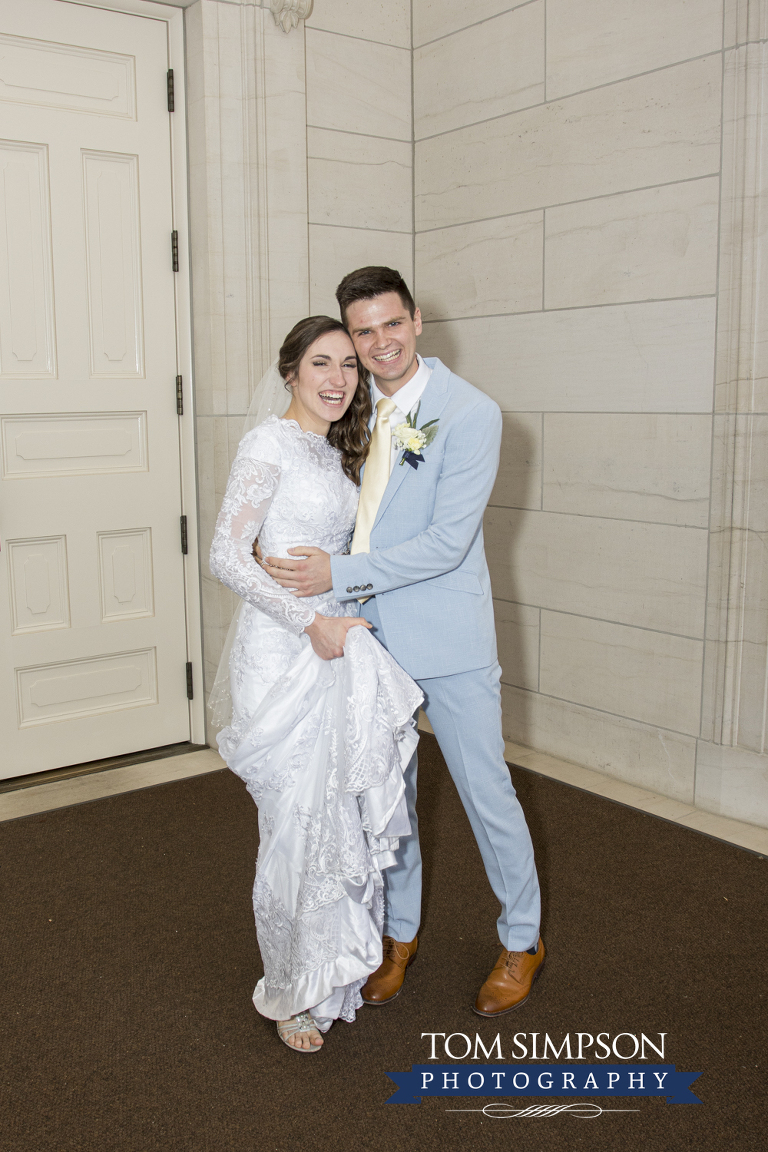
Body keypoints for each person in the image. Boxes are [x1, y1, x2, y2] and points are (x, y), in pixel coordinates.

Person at [259, 268, 544, 1017]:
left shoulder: (473, 413)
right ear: (348, 337)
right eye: (362, 331)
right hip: (367, 639)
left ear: (417, 321)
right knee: (390, 801)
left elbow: (449, 542)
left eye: (392, 324)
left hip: (447, 635)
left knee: (487, 793)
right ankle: (399, 936)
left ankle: (522, 938)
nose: (379, 343)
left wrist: (340, 571)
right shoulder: (348, 408)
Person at [209, 315, 422, 1052]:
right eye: (321, 364)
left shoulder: (334, 454)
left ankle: (330, 966)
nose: (337, 380)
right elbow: (227, 556)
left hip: (337, 647)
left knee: (334, 817)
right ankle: (290, 990)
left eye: (349, 367)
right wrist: (309, 621)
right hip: (285, 651)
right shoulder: (267, 444)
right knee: (294, 826)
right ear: (291, 372)